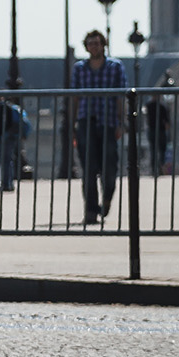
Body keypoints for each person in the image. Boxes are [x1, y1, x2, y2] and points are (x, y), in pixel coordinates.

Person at [68, 30, 127, 224]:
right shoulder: (79, 68)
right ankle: (91, 211)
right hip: (86, 121)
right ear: (86, 47)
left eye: (97, 43)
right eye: (90, 43)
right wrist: (73, 123)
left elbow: (121, 96)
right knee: (88, 169)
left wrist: (121, 122)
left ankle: (107, 197)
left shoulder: (115, 66)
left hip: (108, 121)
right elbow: (75, 97)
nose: (94, 46)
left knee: (110, 167)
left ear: (103, 45)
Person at [0, 95, 29, 192]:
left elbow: (3, 123)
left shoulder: (1, 107)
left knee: (4, 161)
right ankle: (8, 183)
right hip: (8, 137)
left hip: (4, 137)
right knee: (7, 161)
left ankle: (6, 184)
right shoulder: (4, 107)